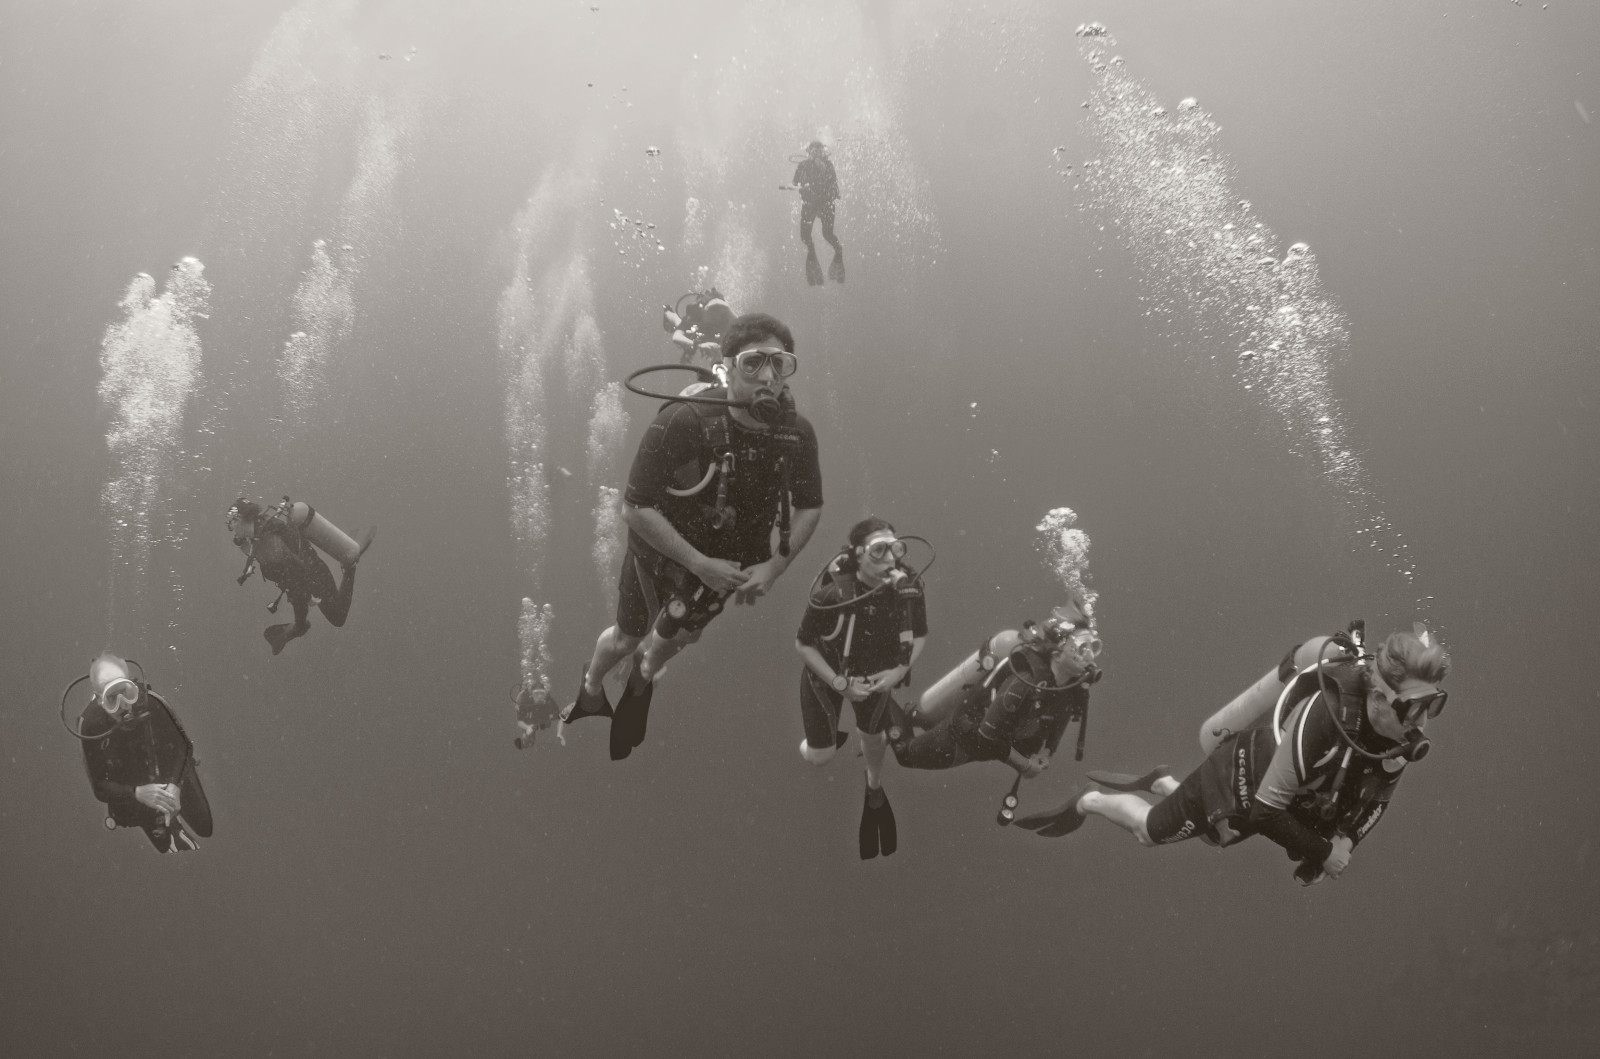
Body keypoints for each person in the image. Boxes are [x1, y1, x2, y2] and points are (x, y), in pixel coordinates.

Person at [563, 313, 824, 760]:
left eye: (780, 364)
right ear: (728, 364)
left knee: (675, 639)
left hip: (726, 568)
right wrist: (699, 563)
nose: (768, 377)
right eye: (753, 363)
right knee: (628, 635)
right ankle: (590, 688)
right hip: (659, 555)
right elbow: (634, 508)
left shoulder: (796, 434)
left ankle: (643, 678)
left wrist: (775, 567)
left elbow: (811, 505)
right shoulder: (685, 421)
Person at [1014, 624, 1451, 886]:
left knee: (1214, 838)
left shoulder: (1400, 735)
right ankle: (1088, 802)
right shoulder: (1327, 718)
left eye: (1432, 705)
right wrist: (1323, 852)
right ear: (1377, 697)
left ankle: (1163, 782)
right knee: (1149, 831)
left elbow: (1376, 800)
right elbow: (1265, 812)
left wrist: (1347, 841)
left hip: (1289, 789)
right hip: (1242, 775)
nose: (1420, 722)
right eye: (1412, 707)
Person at [795, 516, 928, 860]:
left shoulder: (909, 588)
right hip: (828, 677)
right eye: (878, 550)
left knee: (875, 738)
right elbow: (804, 645)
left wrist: (899, 670)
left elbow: (922, 635)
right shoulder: (832, 596)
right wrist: (838, 683)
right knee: (820, 758)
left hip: (876, 678)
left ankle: (873, 786)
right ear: (857, 554)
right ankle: (821, 741)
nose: (890, 560)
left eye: (895, 549)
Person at [887, 591, 1101, 785]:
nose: (1090, 657)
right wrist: (1024, 766)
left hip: (987, 743)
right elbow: (985, 736)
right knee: (905, 754)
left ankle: (912, 715)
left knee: (929, 725)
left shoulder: (1074, 687)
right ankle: (878, 698)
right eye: (1083, 648)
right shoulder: (1024, 680)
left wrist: (1046, 753)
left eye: (1094, 647)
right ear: (1057, 653)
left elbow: (1058, 724)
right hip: (963, 739)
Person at [76, 654, 213, 854]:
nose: (123, 705)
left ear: (132, 684)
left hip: (170, 772)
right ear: (99, 700)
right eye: (111, 698)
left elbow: (184, 747)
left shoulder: (153, 703)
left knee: (205, 827)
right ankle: (172, 831)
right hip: (133, 788)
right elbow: (99, 787)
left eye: (125, 692)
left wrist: (175, 786)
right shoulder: (90, 726)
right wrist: (137, 793)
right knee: (165, 847)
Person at [227, 497, 375, 655]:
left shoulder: (269, 543)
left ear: (241, 519)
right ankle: (299, 626)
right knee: (303, 619)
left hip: (312, 576)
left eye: (231, 523)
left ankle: (349, 566)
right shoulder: (261, 527)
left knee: (338, 617)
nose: (230, 528)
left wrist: (306, 597)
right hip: (303, 577)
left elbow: (296, 571)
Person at [788, 141, 844, 286]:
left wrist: (827, 193)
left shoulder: (828, 166)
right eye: (814, 151)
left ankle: (838, 251)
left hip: (825, 204)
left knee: (827, 234)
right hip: (810, 204)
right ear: (809, 152)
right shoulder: (802, 166)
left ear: (823, 152)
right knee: (805, 236)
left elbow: (834, 188)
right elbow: (794, 183)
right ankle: (812, 253)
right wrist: (797, 186)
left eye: (819, 151)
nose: (817, 154)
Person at [663, 287, 736, 366]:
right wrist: (699, 346)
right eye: (712, 311)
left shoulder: (724, 318)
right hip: (694, 330)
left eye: (719, 310)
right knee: (677, 322)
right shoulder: (694, 317)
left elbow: (742, 326)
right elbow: (676, 337)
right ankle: (667, 311)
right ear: (703, 310)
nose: (716, 316)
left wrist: (728, 309)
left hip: (710, 333)